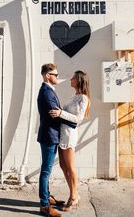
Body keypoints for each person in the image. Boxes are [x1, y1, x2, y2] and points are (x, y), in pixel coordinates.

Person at [49, 70, 91, 211]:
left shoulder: (83, 99)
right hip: (62, 133)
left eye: (73, 78)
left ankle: (73, 197)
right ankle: (75, 194)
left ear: (79, 80)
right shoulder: (75, 96)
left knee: (71, 167)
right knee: (63, 165)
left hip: (69, 135)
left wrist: (61, 113)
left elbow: (78, 119)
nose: (70, 80)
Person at [37, 63, 65, 217]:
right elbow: (55, 114)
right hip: (49, 135)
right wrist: (72, 120)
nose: (57, 77)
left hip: (49, 134)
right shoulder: (46, 92)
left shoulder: (48, 90)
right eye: (55, 74)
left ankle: (47, 196)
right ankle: (44, 205)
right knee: (46, 171)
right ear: (48, 76)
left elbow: (57, 113)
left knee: (46, 170)